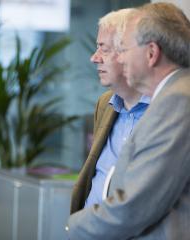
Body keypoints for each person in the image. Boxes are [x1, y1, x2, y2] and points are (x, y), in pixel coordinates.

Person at [67, 2, 190, 239]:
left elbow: (137, 203)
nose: (120, 59)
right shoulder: (171, 95)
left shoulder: (176, 100)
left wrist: (73, 227)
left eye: (123, 49)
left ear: (151, 54)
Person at [70, 8, 150, 213]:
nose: (94, 58)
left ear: (130, 52)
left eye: (103, 49)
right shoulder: (105, 105)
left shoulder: (167, 111)